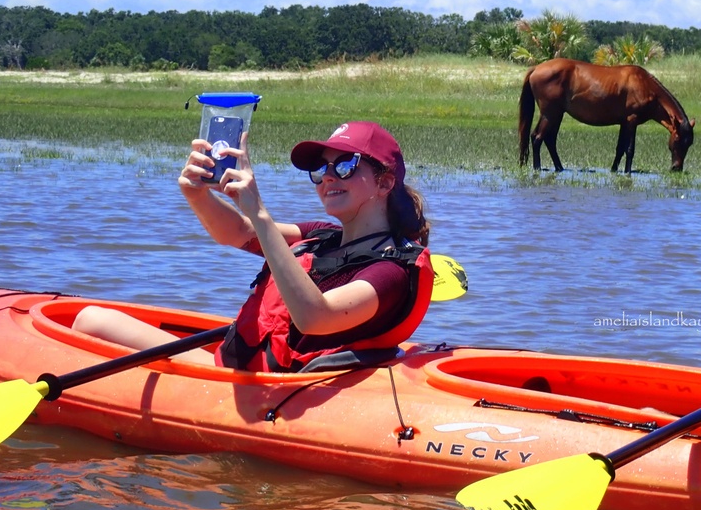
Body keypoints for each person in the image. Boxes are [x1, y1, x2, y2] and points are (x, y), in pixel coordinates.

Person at [72, 121, 434, 372]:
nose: (326, 178)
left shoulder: (391, 272)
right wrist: (195, 193)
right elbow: (239, 232)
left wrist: (260, 211)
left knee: (89, 320)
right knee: (90, 316)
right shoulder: (321, 235)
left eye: (344, 167)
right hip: (245, 371)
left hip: (269, 388)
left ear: (385, 183)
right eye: (320, 170)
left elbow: (316, 317)